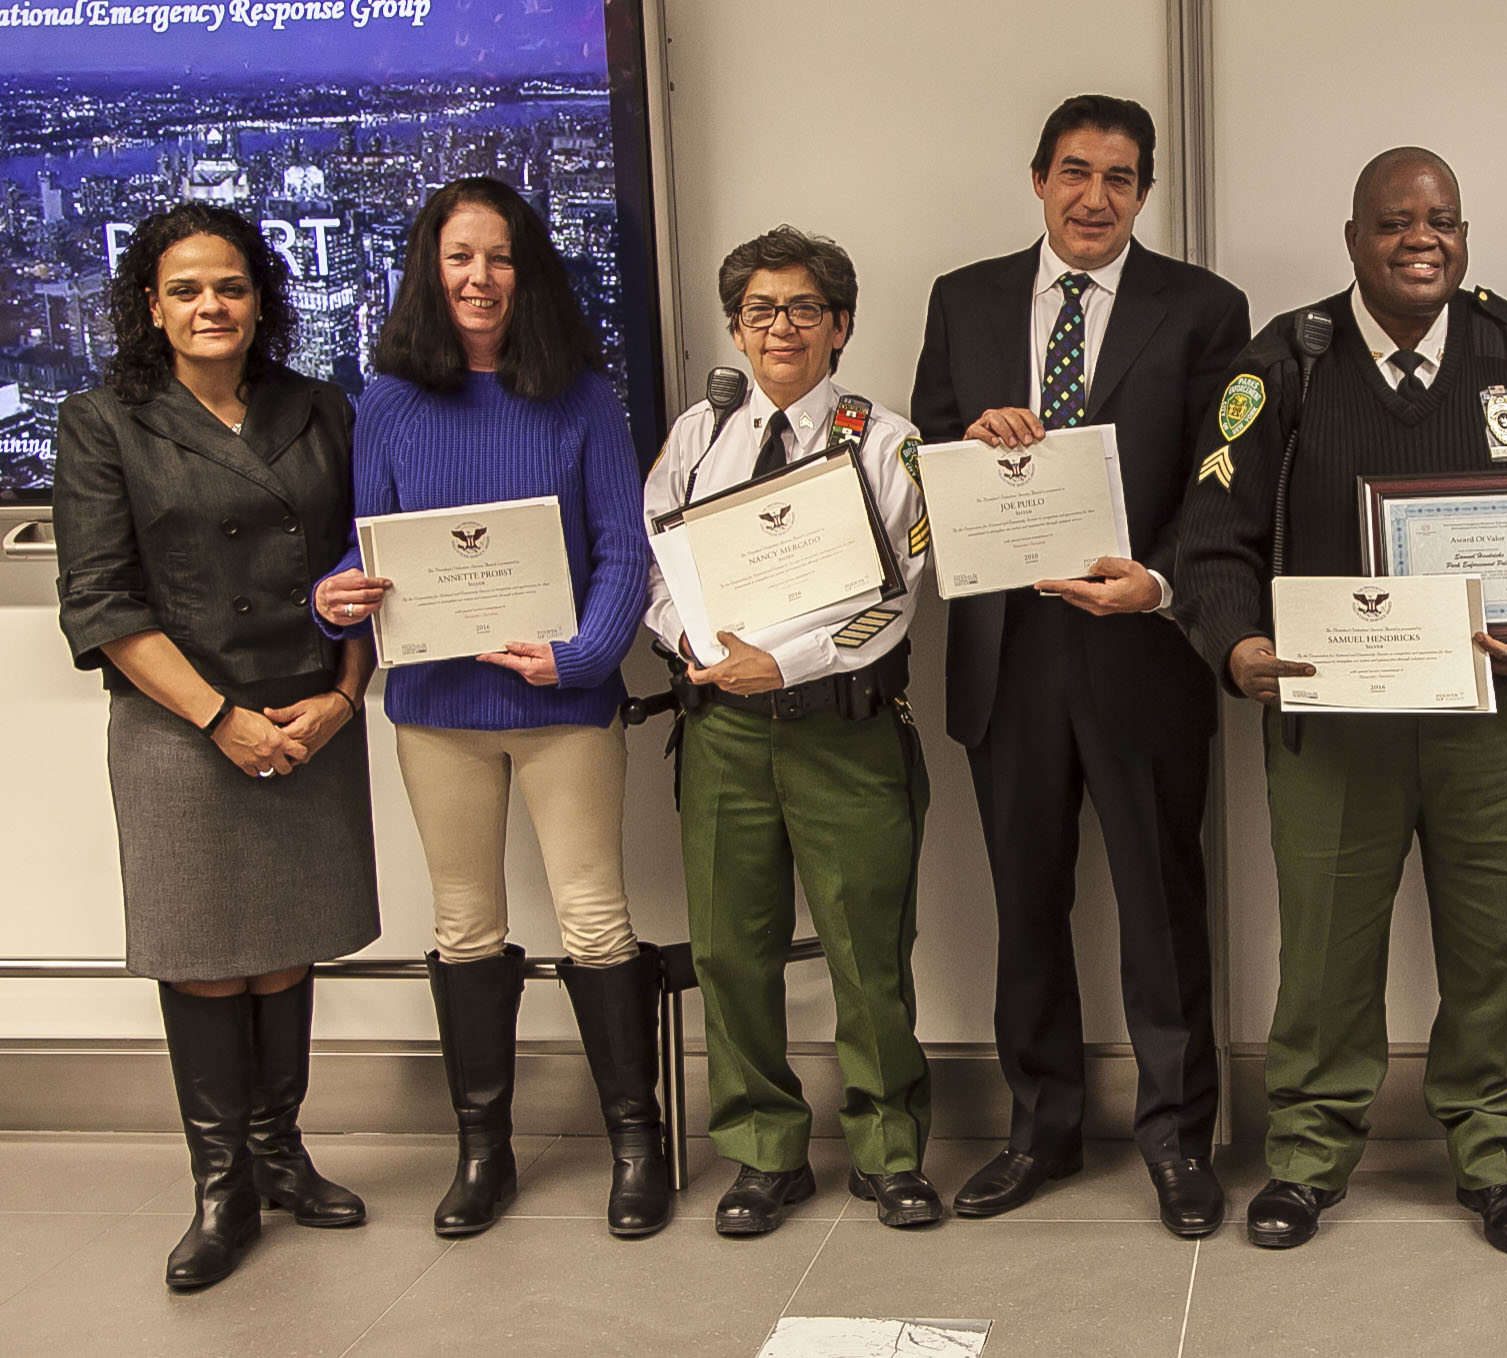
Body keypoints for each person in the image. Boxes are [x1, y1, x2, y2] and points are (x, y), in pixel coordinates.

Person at [1174, 147, 1507, 1256]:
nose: (1422, 238)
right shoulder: (1288, 356)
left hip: (1492, 721)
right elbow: (1211, 531)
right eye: (1395, 221)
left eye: (1444, 221)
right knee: (1324, 953)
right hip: (1334, 727)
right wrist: (1234, 645)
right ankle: (1310, 1152)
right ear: (1353, 239)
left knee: (1492, 947)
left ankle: (1495, 1149)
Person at [909, 93, 1250, 1238]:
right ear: (1039, 178)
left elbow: (1221, 485)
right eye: (1073, 171)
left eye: (1118, 177)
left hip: (1141, 647)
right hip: (1006, 655)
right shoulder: (965, 300)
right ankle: (1040, 1129)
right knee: (1025, 908)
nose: (1093, 196)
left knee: (1162, 911)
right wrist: (973, 447)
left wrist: (1156, 582)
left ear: (1144, 191)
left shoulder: (1202, 309)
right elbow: (928, 457)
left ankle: (1174, 1138)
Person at [310, 177, 662, 1240]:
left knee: (596, 918)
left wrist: (584, 654)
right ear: (429, 267)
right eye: (459, 256)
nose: (478, 277)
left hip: (563, 702)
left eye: (499, 256)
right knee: (465, 924)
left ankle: (635, 1143)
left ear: (528, 271)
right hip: (436, 704)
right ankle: (483, 1149)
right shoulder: (387, 400)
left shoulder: (584, 396)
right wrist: (332, 600)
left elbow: (622, 547)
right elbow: (370, 545)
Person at [53, 203, 379, 1290]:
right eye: (186, 288)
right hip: (181, 727)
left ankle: (282, 1153)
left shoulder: (321, 406)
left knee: (286, 942)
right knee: (204, 955)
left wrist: (344, 692)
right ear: (151, 304)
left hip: (308, 712)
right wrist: (220, 718)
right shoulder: (106, 420)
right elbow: (99, 602)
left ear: (261, 298)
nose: (210, 306)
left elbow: (367, 568)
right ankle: (222, 1184)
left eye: (229, 285)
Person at [645, 227, 939, 1235]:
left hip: (842, 734)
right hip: (725, 732)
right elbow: (655, 567)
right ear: (736, 325)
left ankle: (888, 1150)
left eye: (803, 308)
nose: (781, 327)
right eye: (760, 310)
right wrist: (686, 633)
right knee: (733, 949)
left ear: (841, 325)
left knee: (868, 954)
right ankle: (764, 1151)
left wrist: (792, 660)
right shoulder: (697, 436)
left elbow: (898, 597)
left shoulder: (885, 441)